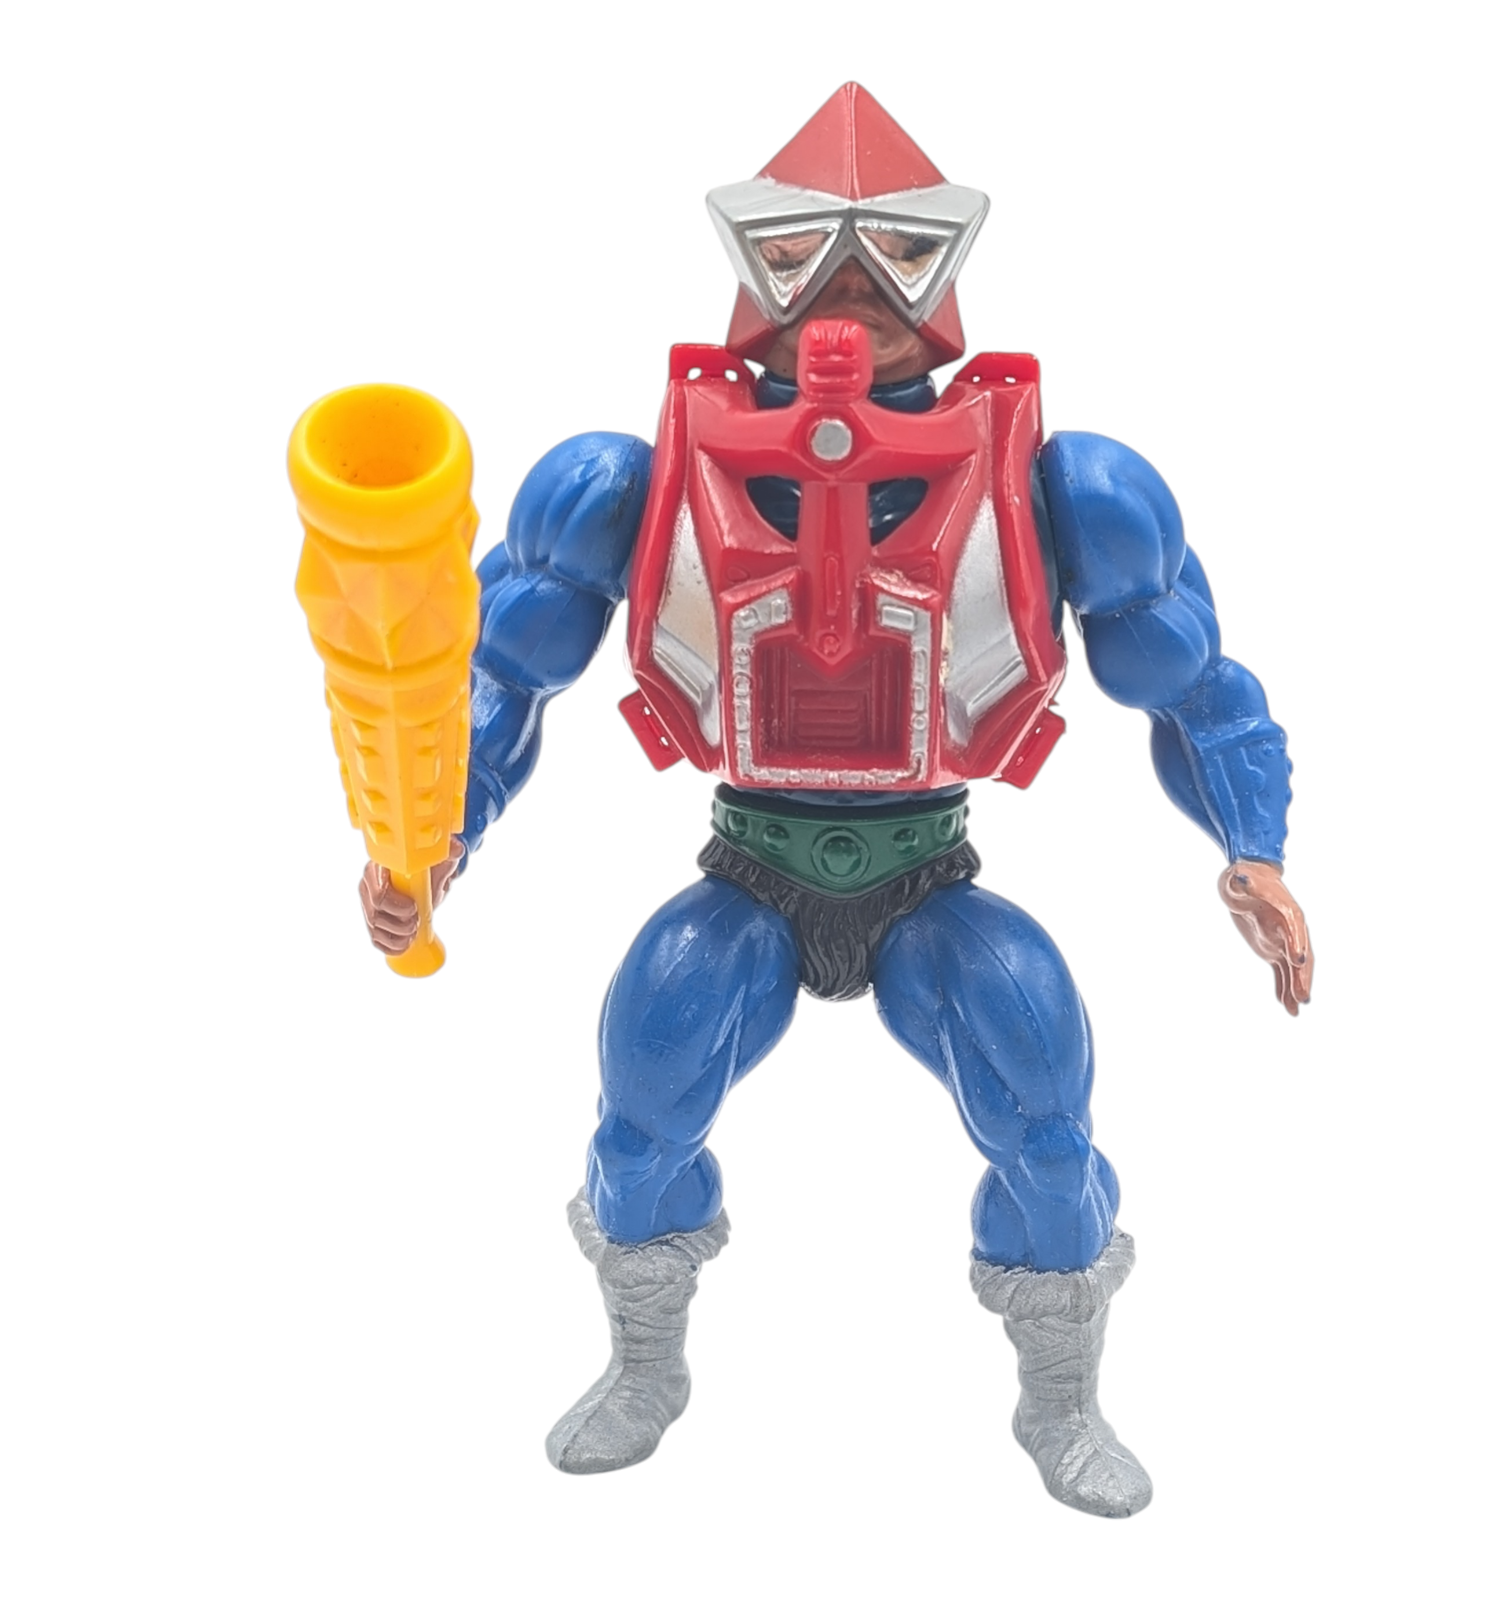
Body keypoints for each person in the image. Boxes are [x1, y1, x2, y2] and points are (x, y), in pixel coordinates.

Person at [361, 84, 1311, 1517]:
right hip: (750, 867)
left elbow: (1199, 687)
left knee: (1051, 1130)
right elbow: (501, 674)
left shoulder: (1069, 487)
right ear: (752, 278)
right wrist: (438, 841)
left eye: (896, 256)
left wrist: (1256, 849)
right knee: (639, 1120)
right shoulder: (625, 481)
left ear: (947, 282)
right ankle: (646, 1365)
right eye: (805, 256)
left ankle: (1061, 1401)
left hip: (931, 873)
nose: (849, 296)